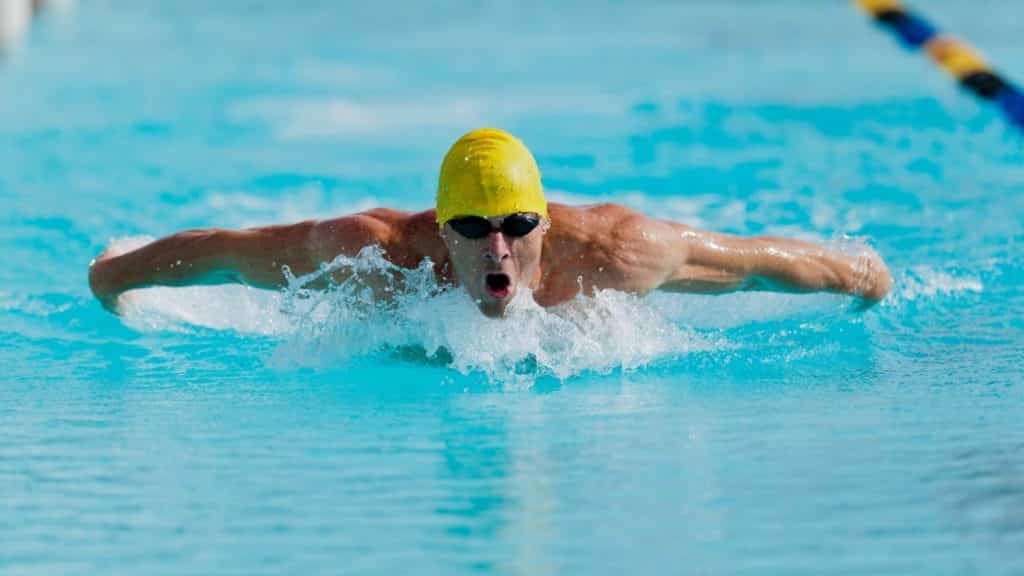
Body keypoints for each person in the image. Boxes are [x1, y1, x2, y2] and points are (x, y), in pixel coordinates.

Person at [89, 128, 892, 318]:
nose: (496, 246)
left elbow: (754, 260)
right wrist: (114, 276)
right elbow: (229, 254)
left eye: (516, 224)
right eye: (471, 228)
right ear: (440, 230)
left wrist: (863, 277)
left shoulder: (615, 251)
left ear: (546, 224)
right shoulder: (373, 256)